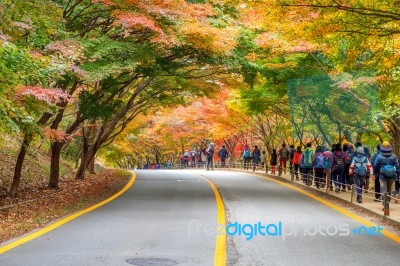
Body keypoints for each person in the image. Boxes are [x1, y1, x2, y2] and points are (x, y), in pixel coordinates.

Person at [373, 141, 400, 212]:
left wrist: (375, 173)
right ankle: (388, 202)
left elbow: (375, 165)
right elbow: (397, 166)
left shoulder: (379, 156)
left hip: (382, 176)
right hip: (392, 176)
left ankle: (385, 204)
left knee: (383, 189)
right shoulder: (394, 156)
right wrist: (398, 174)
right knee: (389, 189)